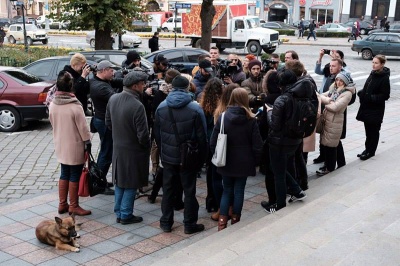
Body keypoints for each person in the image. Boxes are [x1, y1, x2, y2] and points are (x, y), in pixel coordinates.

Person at [154, 75, 207, 234]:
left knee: (168, 190)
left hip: (168, 157)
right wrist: (201, 159)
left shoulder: (161, 107)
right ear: (187, 88)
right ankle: (189, 224)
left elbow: (157, 134)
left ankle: (166, 222)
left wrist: (163, 153)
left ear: (171, 87)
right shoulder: (195, 108)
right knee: (189, 191)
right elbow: (202, 137)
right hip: (188, 158)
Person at [210, 88, 263, 230]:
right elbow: (257, 145)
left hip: (225, 160)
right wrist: (256, 161)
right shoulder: (251, 119)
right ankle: (235, 220)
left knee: (227, 190)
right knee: (239, 190)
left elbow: (213, 142)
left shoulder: (222, 117)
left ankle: (222, 223)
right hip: (244, 161)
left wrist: (214, 156)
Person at [105, 69, 150, 224]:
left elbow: (108, 123)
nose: (144, 86)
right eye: (143, 83)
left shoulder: (113, 99)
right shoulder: (137, 105)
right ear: (136, 86)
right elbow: (143, 135)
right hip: (133, 150)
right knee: (131, 182)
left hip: (118, 148)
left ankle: (119, 211)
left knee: (120, 180)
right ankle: (125, 214)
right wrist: (146, 146)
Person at [262, 69, 308, 213]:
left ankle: (279, 204)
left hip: (279, 142)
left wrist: (269, 111)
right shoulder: (301, 95)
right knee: (280, 168)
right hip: (295, 139)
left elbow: (274, 125)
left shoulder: (282, 99)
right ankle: (297, 190)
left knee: (278, 174)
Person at [49, 71, 91, 216]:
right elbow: (83, 128)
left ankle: (62, 204)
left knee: (64, 173)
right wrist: (88, 142)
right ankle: (74, 205)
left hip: (60, 144)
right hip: (74, 145)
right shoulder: (75, 106)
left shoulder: (53, 104)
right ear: (71, 87)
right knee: (74, 174)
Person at [90, 60, 124, 196]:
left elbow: (118, 82)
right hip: (104, 122)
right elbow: (117, 99)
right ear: (103, 70)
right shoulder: (101, 87)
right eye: (111, 70)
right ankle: (99, 183)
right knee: (106, 152)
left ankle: (100, 179)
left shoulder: (99, 81)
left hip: (101, 120)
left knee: (106, 150)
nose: (113, 73)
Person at [317, 72, 355, 176]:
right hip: (327, 119)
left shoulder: (347, 93)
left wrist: (325, 101)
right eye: (337, 80)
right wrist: (328, 100)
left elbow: (336, 107)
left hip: (335, 121)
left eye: (341, 81)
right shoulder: (333, 89)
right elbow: (321, 95)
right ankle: (333, 164)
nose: (338, 82)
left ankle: (330, 168)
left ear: (345, 82)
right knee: (328, 143)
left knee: (331, 145)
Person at [356, 55, 390, 161]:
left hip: (376, 110)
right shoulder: (373, 73)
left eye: (376, 63)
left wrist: (370, 97)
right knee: (368, 131)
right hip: (367, 107)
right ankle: (367, 149)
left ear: (382, 64)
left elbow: (385, 95)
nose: (373, 65)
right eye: (373, 62)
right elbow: (368, 87)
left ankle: (371, 151)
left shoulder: (384, 78)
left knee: (373, 131)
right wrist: (362, 92)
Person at [199, 77, 224, 216]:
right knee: (218, 175)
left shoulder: (203, 105)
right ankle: (221, 202)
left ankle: (211, 202)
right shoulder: (222, 105)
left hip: (208, 142)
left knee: (210, 173)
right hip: (219, 141)